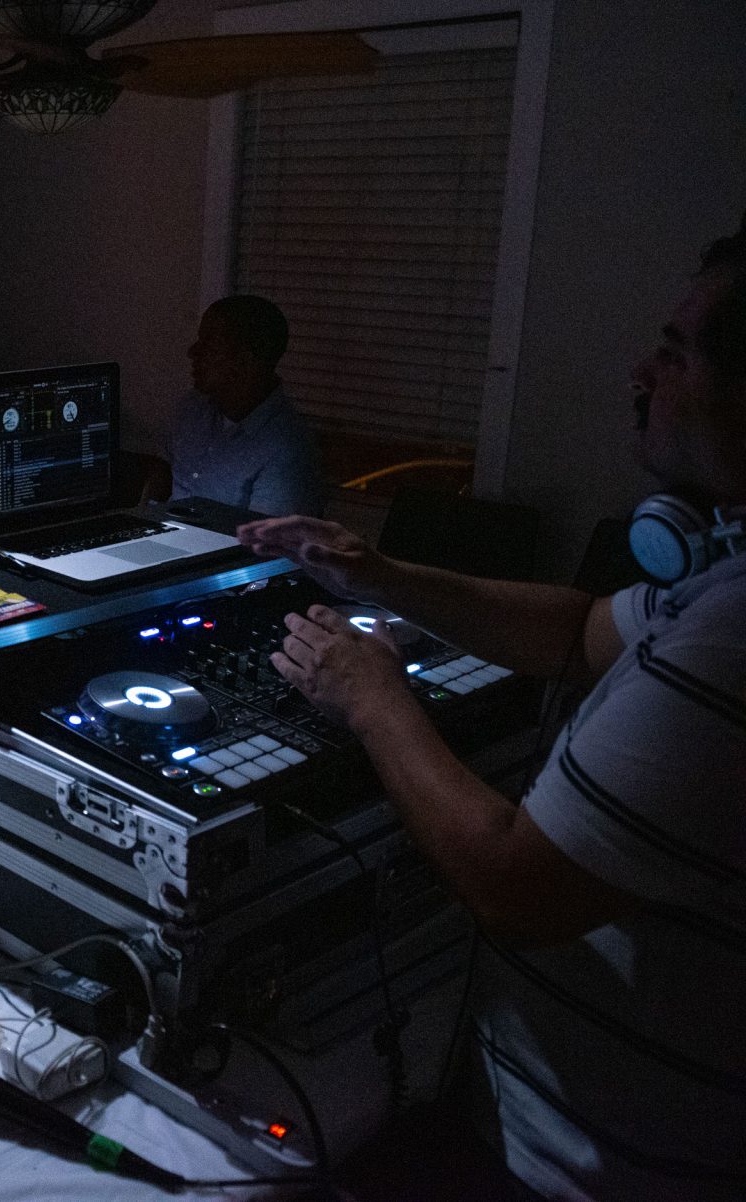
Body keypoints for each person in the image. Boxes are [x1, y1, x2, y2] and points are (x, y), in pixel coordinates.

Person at [237, 221, 746, 1201]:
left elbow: (518, 883)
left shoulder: (733, 642)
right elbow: (579, 630)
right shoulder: (719, 574)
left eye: (677, 352)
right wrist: (377, 571)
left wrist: (376, 698)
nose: (644, 367)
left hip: (590, 1170)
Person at [145, 294, 323, 517]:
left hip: (223, 548)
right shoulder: (192, 407)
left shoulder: (286, 449)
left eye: (209, 346)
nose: (193, 352)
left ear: (244, 362)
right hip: (165, 535)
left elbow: (268, 546)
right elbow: (160, 474)